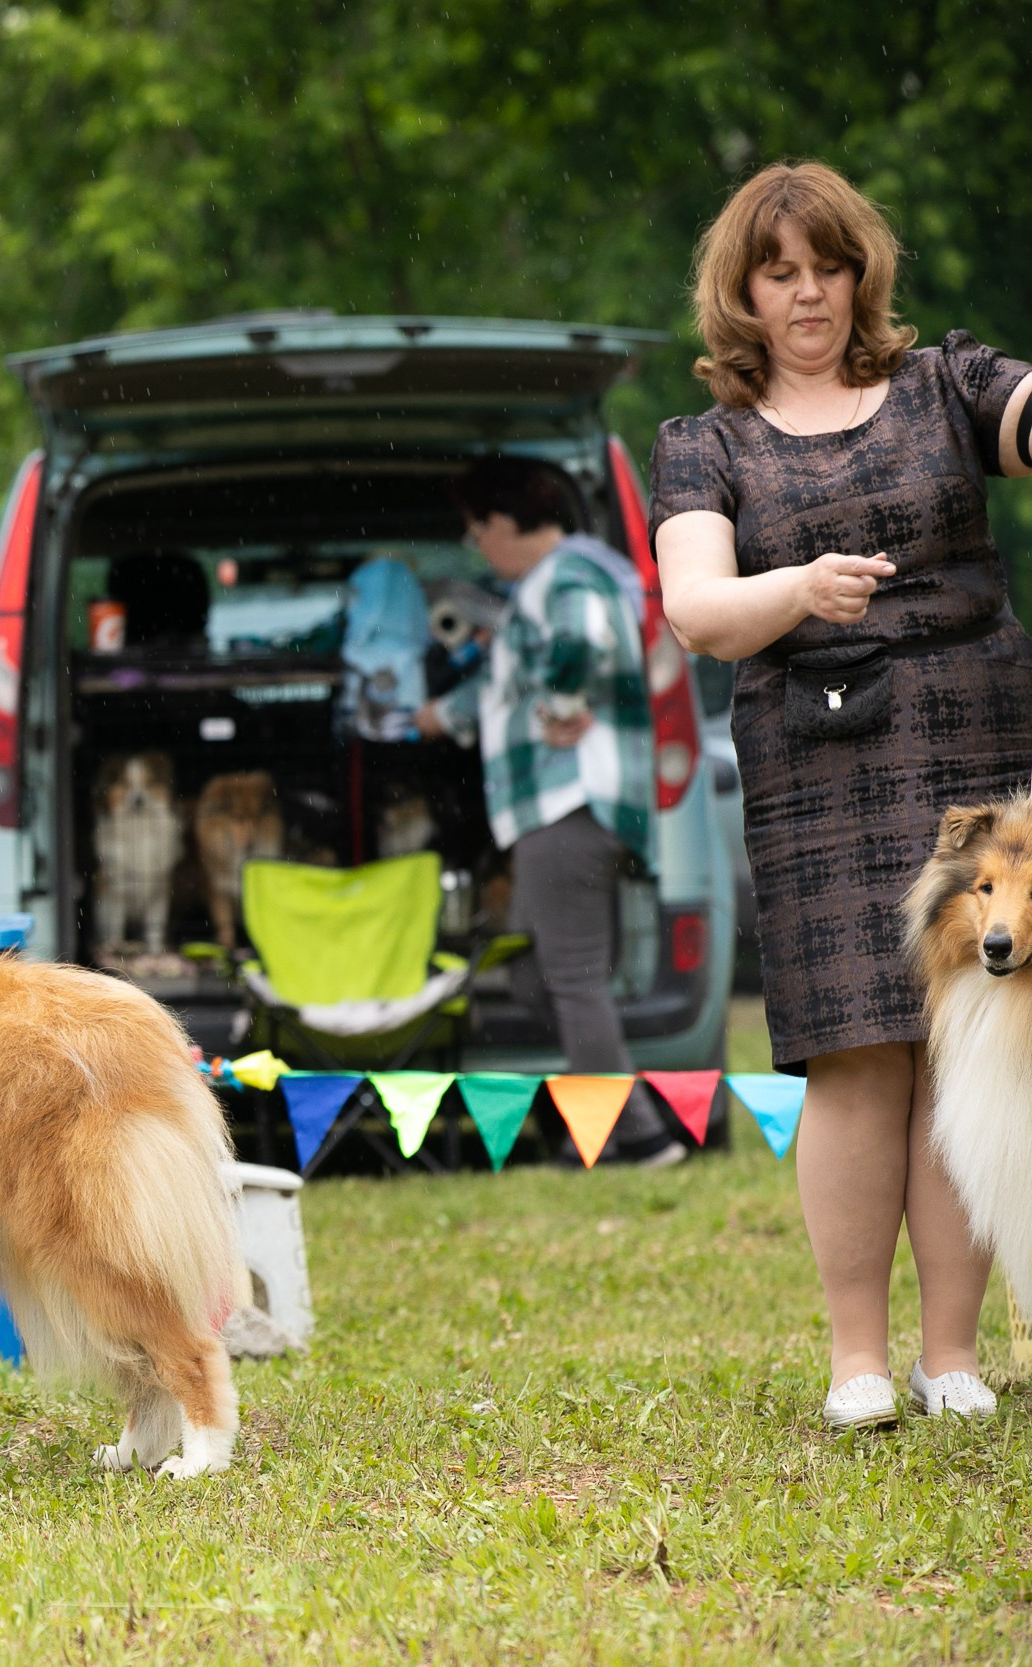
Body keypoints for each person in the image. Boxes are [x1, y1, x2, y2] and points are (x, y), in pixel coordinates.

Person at [651, 161, 1032, 1430]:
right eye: (778, 271)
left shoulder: (941, 383)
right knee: (856, 1055)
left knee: (965, 1049)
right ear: (744, 291)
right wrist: (802, 588)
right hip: (820, 759)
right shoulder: (703, 445)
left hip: (978, 749)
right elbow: (698, 611)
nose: (807, 292)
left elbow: (1023, 415)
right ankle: (856, 1361)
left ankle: (952, 1354)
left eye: (826, 265)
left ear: (859, 270)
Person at [415, 457, 682, 1169]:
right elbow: (507, 688)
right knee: (540, 976)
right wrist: (439, 714)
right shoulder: (539, 587)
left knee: (570, 976)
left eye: (478, 531)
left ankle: (644, 1138)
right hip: (551, 810)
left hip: (570, 804)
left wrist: (564, 703)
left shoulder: (566, 576)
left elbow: (580, 640)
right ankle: (591, 1126)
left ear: (503, 522)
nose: (479, 547)